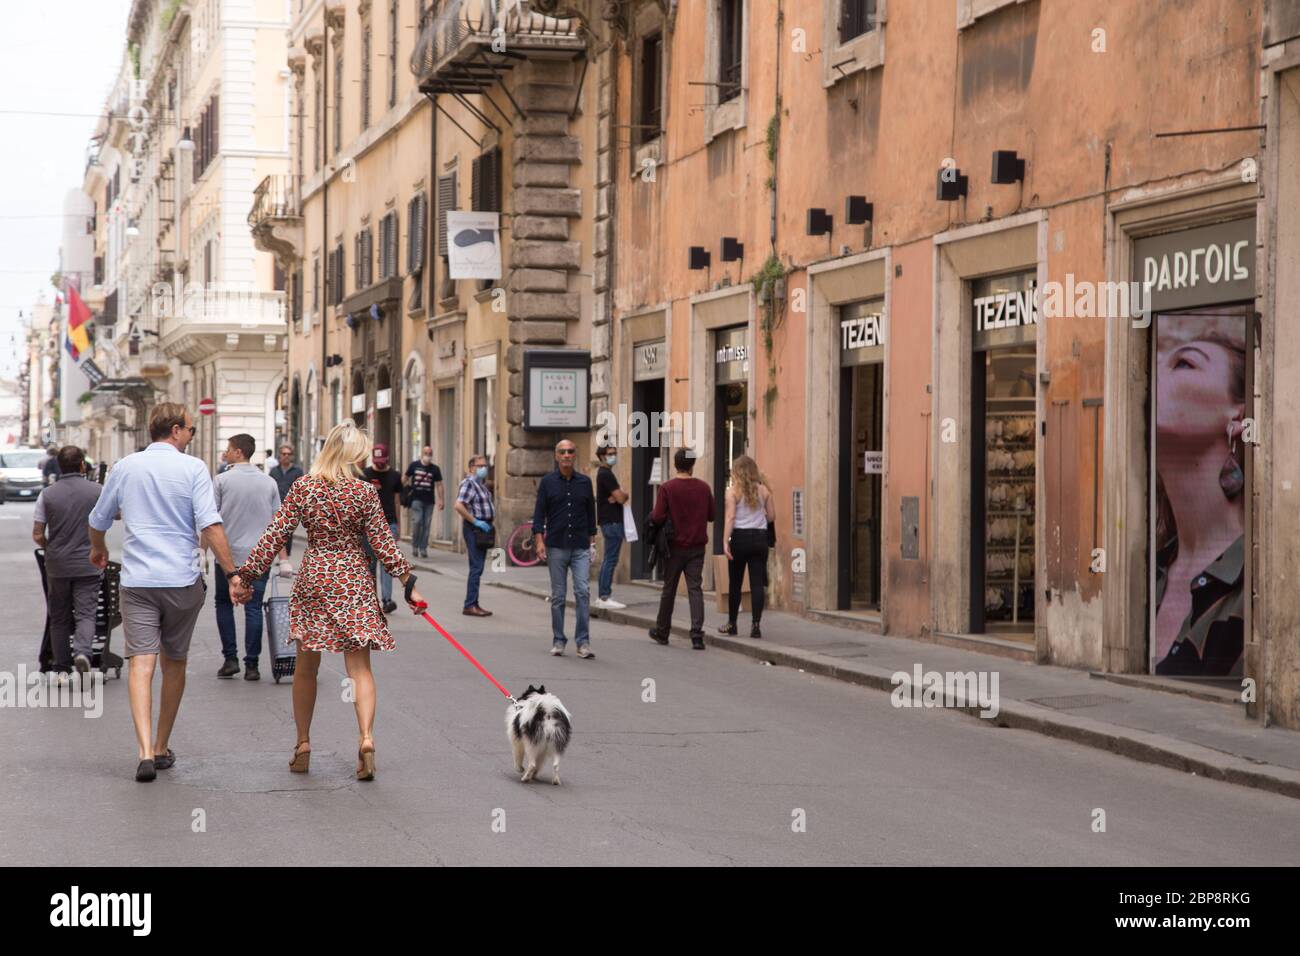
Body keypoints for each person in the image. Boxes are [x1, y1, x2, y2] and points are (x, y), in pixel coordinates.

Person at [227, 421, 425, 781]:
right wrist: (408, 582)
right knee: (360, 669)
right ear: (352, 454)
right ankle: (366, 738)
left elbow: (275, 534)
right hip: (353, 579)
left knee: (306, 668)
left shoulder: (304, 488)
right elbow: (383, 544)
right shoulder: (365, 492)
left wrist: (247, 576)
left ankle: (302, 743)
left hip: (316, 575)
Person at [88, 403, 240, 782]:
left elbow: (97, 519)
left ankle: (141, 751)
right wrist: (233, 573)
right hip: (181, 581)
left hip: (139, 582)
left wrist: (99, 549)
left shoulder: (125, 467)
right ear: (174, 430)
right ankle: (160, 745)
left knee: (142, 662)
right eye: (189, 429)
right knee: (175, 661)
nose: (191, 435)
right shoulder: (192, 469)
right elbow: (210, 525)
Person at [1153, 317, 1247, 676]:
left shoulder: (1253, 588)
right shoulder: (1146, 574)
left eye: (1184, 363)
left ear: (1237, 415)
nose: (1154, 373)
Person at [213, 433, 284, 681]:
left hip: (227, 557)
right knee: (253, 608)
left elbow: (211, 522)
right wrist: (283, 558)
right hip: (260, 557)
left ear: (239, 452)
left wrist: (199, 553)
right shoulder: (269, 483)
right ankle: (252, 665)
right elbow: (279, 525)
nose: (226, 452)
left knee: (223, 603)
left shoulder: (221, 480)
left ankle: (230, 659)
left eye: (229, 449)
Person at [32, 446, 102, 675]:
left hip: (57, 564)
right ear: (82, 465)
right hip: (88, 563)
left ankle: (61, 667)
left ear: (59, 466)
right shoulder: (96, 491)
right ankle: (82, 652)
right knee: (86, 613)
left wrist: (50, 548)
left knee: (59, 616)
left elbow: (38, 534)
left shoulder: (47, 494)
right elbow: (115, 514)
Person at [532, 439, 598, 658]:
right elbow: (540, 515)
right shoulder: (548, 482)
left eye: (570, 451)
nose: (567, 455)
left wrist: (592, 542)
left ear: (575, 455)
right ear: (556, 456)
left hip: (580, 545)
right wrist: (539, 541)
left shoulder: (585, 482)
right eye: (563, 452)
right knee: (559, 596)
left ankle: (583, 642)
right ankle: (559, 640)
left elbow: (591, 514)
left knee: (582, 592)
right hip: (556, 546)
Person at [647, 448, 714, 650]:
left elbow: (657, 516)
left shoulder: (667, 488)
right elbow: (712, 515)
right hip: (697, 546)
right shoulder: (704, 488)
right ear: (692, 465)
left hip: (673, 546)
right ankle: (696, 635)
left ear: (676, 465)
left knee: (669, 589)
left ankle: (662, 631)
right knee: (695, 589)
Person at [718, 455, 775, 639]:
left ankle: (732, 624)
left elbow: (730, 518)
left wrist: (725, 541)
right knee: (757, 584)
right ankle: (756, 625)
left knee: (735, 583)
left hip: (740, 539)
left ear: (737, 472)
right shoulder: (764, 491)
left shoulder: (732, 492)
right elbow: (772, 517)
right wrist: (760, 516)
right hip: (759, 539)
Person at [362, 444, 404, 615]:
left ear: (387, 458)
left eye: (382, 462)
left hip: (388, 524)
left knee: (388, 565)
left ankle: (387, 600)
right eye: (376, 461)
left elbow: (397, 501)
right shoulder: (365, 475)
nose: (379, 465)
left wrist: (398, 525)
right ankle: (373, 601)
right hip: (368, 525)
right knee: (370, 565)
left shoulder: (395, 476)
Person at [453, 455, 495, 617]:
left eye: (485, 465)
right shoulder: (469, 483)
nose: (484, 468)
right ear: (471, 468)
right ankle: (470, 604)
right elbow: (459, 505)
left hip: (484, 528)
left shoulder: (481, 485)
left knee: (479, 567)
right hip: (474, 528)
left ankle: (474, 603)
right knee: (476, 567)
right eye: (480, 465)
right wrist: (476, 521)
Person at [591, 444, 629, 610]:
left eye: (615, 453)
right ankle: (604, 596)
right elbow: (621, 498)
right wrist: (623, 494)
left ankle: (603, 595)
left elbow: (618, 497)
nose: (614, 456)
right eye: (610, 454)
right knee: (610, 559)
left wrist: (619, 495)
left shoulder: (605, 474)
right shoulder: (606, 474)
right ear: (602, 456)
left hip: (610, 521)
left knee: (609, 559)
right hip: (612, 522)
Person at [403, 445, 444, 559]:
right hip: (416, 499)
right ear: (422, 454)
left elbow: (439, 484)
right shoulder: (414, 465)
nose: (428, 456)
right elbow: (405, 477)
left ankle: (423, 548)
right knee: (417, 521)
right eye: (426, 453)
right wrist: (400, 492)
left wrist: (441, 499)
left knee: (426, 525)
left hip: (429, 501)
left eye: (430, 454)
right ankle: (415, 545)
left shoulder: (435, 469)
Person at [269, 445, 304, 557]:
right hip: (276, 505)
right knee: (277, 530)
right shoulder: (274, 471)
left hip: (291, 506)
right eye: (284, 454)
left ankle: (286, 556)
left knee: (288, 531)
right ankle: (277, 554)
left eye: (288, 454)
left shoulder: (297, 471)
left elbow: (302, 488)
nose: (286, 456)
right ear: (280, 456)